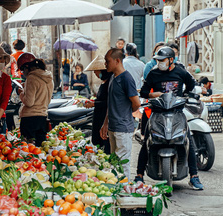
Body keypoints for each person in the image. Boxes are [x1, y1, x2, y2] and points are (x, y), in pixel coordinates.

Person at [137, 46, 204, 190]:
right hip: (157, 112)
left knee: (188, 140)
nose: (159, 62)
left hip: (177, 112)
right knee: (147, 140)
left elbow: (191, 85)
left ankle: (194, 176)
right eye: (158, 60)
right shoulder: (153, 74)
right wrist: (152, 95)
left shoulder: (180, 72)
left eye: (163, 60)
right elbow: (143, 92)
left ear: (171, 60)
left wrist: (184, 96)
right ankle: (139, 175)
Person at [100, 48, 141, 181]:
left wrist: (125, 113)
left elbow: (136, 103)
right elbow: (111, 103)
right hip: (112, 127)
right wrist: (105, 123)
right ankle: (116, 189)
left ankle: (123, 191)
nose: (105, 64)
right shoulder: (113, 77)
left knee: (122, 165)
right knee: (114, 163)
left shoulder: (127, 78)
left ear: (117, 61)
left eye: (108, 61)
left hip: (123, 128)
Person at [16, 53, 54, 146]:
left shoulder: (31, 77)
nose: (22, 73)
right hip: (42, 118)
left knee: (29, 151)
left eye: (22, 70)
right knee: (41, 149)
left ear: (27, 67)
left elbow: (29, 102)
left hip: (30, 120)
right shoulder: (48, 78)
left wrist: (21, 93)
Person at [83, 55, 112, 153]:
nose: (95, 73)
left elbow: (108, 102)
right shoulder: (104, 82)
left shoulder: (110, 83)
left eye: (96, 71)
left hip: (104, 117)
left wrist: (94, 104)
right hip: (99, 116)